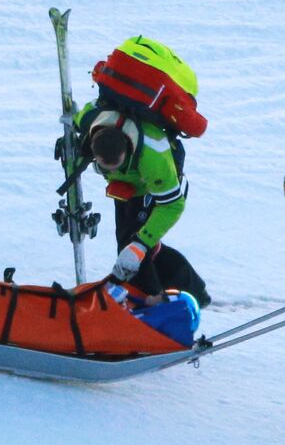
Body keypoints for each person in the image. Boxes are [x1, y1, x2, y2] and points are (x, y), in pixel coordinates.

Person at [79, 107, 208, 307]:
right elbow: (81, 116)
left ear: (127, 150)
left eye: (117, 165)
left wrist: (141, 243)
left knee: (133, 248)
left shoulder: (152, 158)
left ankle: (148, 305)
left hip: (157, 190)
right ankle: (194, 291)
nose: (111, 170)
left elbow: (173, 206)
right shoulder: (90, 122)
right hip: (128, 187)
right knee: (137, 246)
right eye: (105, 167)